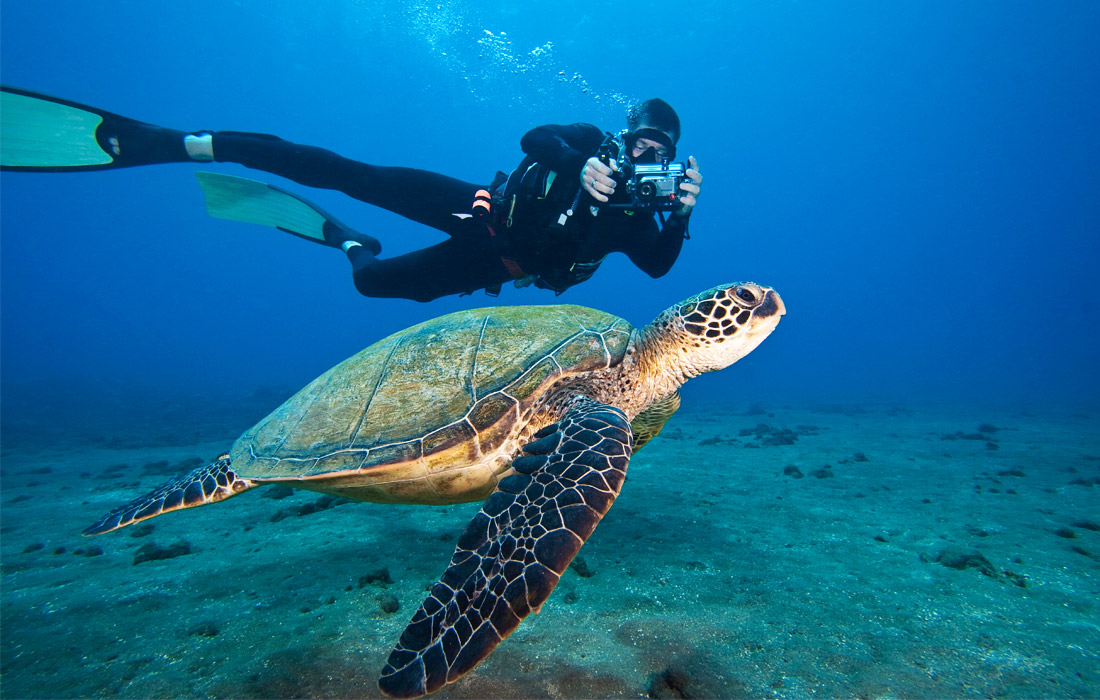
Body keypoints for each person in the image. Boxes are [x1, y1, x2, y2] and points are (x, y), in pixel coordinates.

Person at [1, 86, 701, 301]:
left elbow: (659, 268)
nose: (646, 160)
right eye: (641, 144)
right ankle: (182, 141)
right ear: (624, 134)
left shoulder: (645, 216)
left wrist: (682, 217)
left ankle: (349, 242)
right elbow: (533, 138)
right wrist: (581, 164)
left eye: (660, 156)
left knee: (373, 285)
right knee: (351, 171)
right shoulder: (586, 142)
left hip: (496, 266)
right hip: (476, 206)